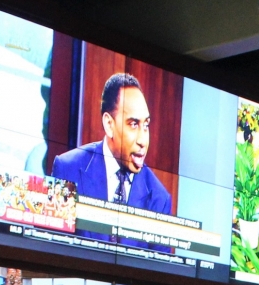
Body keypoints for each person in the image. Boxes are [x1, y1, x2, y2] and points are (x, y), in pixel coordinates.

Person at [49, 73, 173, 214]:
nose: (143, 141)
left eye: (146, 125)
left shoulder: (160, 199)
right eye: (133, 124)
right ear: (109, 124)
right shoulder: (68, 169)